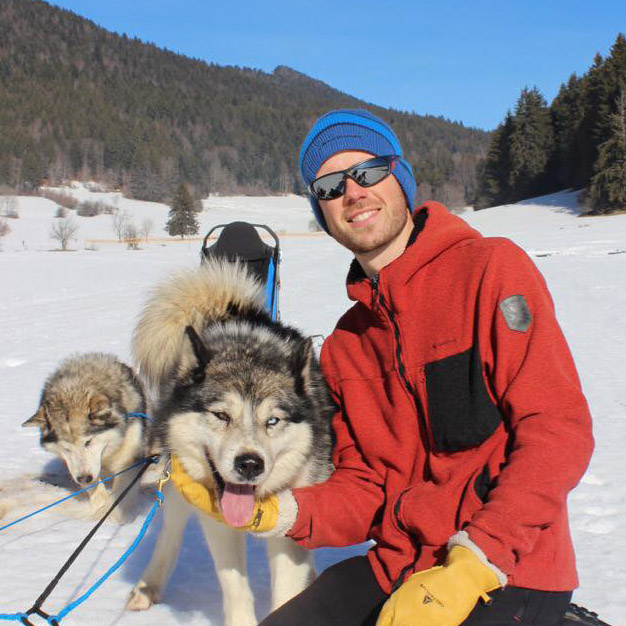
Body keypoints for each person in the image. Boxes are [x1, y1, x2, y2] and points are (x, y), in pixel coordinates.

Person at [196, 109, 595, 626]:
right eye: (331, 185)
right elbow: (365, 486)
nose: (353, 192)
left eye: (368, 171)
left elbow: (557, 431)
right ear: (322, 209)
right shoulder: (346, 345)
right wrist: (284, 511)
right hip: (398, 566)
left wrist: (474, 564)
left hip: (507, 569)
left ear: (400, 177)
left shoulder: (490, 271)